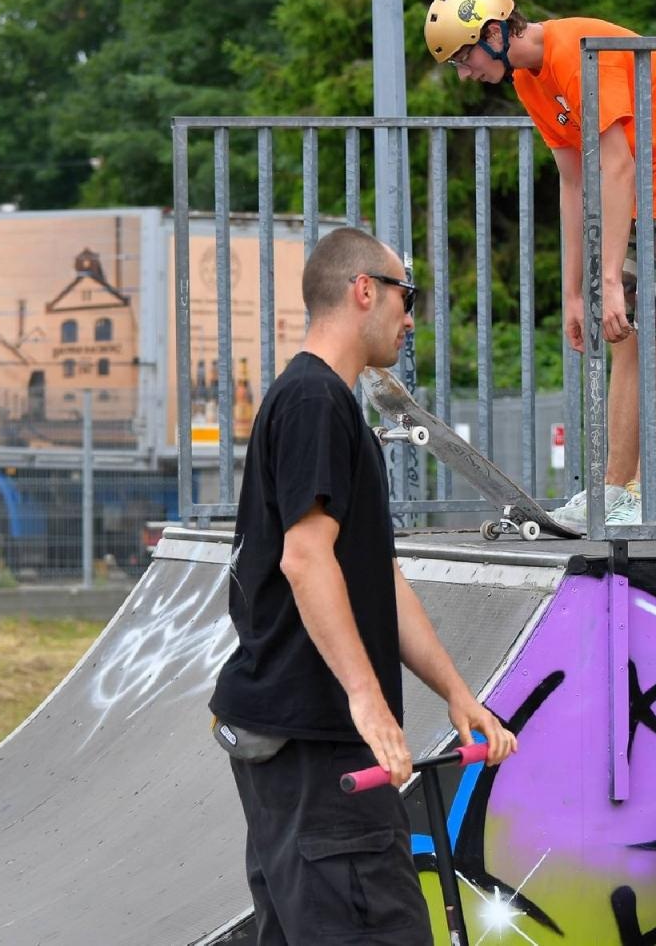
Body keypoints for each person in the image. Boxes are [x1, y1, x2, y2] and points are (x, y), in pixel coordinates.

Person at [208, 225, 519, 945]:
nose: (411, 317)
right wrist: (368, 700)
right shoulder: (315, 400)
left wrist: (455, 692)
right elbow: (306, 559)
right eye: (407, 297)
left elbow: (374, 573)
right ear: (363, 291)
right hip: (320, 745)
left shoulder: (321, 400)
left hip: (304, 742)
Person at [423, 0, 656, 530]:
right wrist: (576, 293)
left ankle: (644, 498)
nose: (465, 72)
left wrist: (611, 280)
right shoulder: (529, 80)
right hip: (638, 191)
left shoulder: (578, 54)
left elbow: (614, 164)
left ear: (495, 32)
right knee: (623, 336)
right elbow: (574, 182)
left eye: (464, 57)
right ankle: (612, 491)